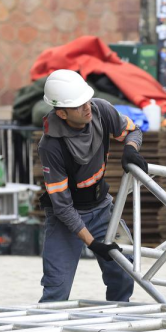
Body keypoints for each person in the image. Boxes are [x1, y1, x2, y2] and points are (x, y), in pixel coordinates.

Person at [37, 69, 148, 302]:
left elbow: (133, 131)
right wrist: (93, 244)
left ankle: (117, 318)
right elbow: (63, 207)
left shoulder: (100, 110)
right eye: (78, 105)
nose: (87, 107)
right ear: (62, 113)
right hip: (66, 218)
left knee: (124, 272)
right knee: (56, 289)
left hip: (101, 208)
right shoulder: (51, 146)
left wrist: (130, 149)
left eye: (86, 100)